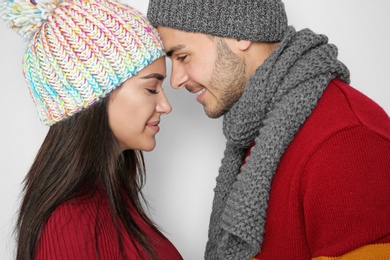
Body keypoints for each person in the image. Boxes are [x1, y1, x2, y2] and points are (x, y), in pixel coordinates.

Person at [147, 0, 390, 259]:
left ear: (239, 32)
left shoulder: (346, 142)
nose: (175, 80)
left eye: (183, 57)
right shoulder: (260, 127)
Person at [0, 0, 183, 259]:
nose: (165, 106)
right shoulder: (69, 225)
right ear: (98, 97)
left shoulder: (111, 195)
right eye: (151, 89)